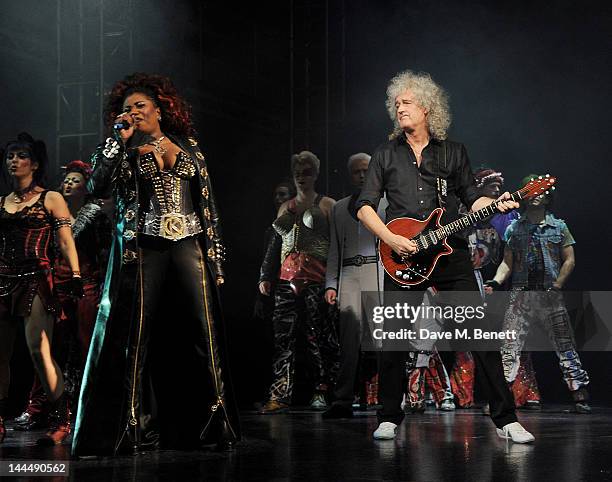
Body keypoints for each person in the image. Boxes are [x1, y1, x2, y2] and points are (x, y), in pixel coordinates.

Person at [355, 69, 534, 443]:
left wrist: (498, 203)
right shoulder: (385, 154)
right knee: (393, 338)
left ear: (427, 107)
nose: (399, 108)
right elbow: (365, 206)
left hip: (449, 254)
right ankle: (389, 415)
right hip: (400, 254)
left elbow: (473, 199)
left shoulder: (454, 152)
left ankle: (506, 419)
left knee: (480, 335)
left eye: (406, 102)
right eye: (396, 104)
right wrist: (391, 238)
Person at [71, 73, 240, 456]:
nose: (132, 112)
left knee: (204, 331)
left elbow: (208, 205)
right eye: (126, 109)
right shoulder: (120, 150)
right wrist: (118, 141)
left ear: (160, 109)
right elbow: (95, 187)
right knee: (136, 337)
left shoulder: (190, 148)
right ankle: (130, 425)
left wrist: (217, 260)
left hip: (190, 243)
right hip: (144, 245)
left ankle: (215, 421)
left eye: (139, 106)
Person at [13, 160, 112, 431]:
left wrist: (102, 287)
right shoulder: (50, 210)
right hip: (54, 284)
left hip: (86, 285)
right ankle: (37, 408)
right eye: (66, 180)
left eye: (75, 181)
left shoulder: (95, 216)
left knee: (84, 346)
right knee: (44, 348)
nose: (68, 184)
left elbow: (105, 254)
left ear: (85, 187)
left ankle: (89, 408)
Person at [0, 132, 82, 445]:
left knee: (38, 349)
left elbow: (64, 240)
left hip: (36, 278)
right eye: (10, 156)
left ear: (34, 163)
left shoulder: (51, 198)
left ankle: (61, 418)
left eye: (20, 155)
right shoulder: (2, 203)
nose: (14, 161)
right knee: (0, 355)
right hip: (2, 279)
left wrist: (74, 274)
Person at [486, 174, 591, 413]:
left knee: (564, 345)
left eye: (540, 192)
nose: (535, 196)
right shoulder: (515, 228)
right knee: (509, 347)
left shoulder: (559, 226)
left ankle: (579, 394)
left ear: (548, 197)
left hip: (548, 295)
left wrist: (558, 285)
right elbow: (507, 263)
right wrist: (495, 280)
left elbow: (569, 260)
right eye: (531, 191)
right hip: (520, 295)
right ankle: (501, 399)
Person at [258, 151, 338, 413]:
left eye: (306, 173)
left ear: (315, 174)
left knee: (317, 337)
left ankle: (322, 389)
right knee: (283, 338)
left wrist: (333, 283)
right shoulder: (286, 207)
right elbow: (274, 242)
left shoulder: (328, 206)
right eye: (297, 173)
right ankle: (280, 393)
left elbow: (338, 246)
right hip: (286, 279)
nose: (302, 177)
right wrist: (265, 276)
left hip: (316, 279)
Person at [322, 152, 383, 418]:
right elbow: (334, 248)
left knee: (382, 339)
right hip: (349, 271)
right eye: (356, 171)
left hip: (377, 270)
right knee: (348, 340)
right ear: (350, 175)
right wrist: (330, 284)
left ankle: (390, 399)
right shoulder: (338, 207)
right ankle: (343, 398)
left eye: (365, 170)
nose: (361, 175)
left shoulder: (385, 204)